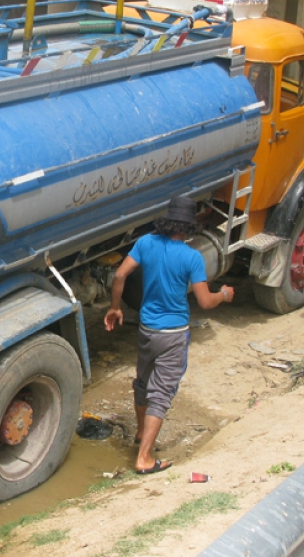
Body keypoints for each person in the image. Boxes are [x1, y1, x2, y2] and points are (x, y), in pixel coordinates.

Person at [104, 196, 234, 475]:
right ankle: (144, 458)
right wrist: (223, 294)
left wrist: (115, 308)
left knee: (142, 383)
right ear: (189, 228)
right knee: (161, 394)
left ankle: (141, 433)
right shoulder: (191, 257)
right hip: (173, 335)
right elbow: (205, 302)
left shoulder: (146, 243)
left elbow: (118, 277)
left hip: (146, 330)